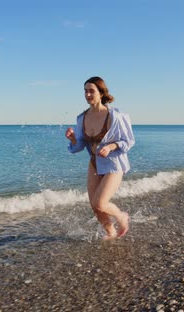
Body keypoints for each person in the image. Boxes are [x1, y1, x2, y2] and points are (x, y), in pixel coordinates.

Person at [65, 76, 135, 240]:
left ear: (101, 92)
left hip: (113, 164)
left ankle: (121, 216)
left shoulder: (116, 116)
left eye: (91, 91)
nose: (88, 94)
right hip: (94, 163)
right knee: (94, 207)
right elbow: (79, 146)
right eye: (85, 91)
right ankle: (111, 233)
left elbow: (129, 141)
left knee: (100, 203)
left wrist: (111, 146)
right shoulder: (81, 118)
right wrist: (73, 139)